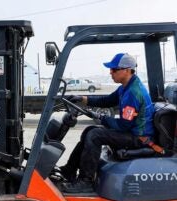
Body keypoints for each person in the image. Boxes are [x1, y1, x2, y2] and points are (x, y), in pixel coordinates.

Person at [60, 53, 155, 193]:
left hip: (139, 138)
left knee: (95, 135)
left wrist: (101, 118)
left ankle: (86, 181)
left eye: (114, 70)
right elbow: (107, 101)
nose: (111, 72)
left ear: (127, 70)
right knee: (89, 131)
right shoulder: (125, 86)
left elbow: (124, 125)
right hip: (131, 132)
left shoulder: (134, 93)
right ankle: (69, 170)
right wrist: (83, 98)